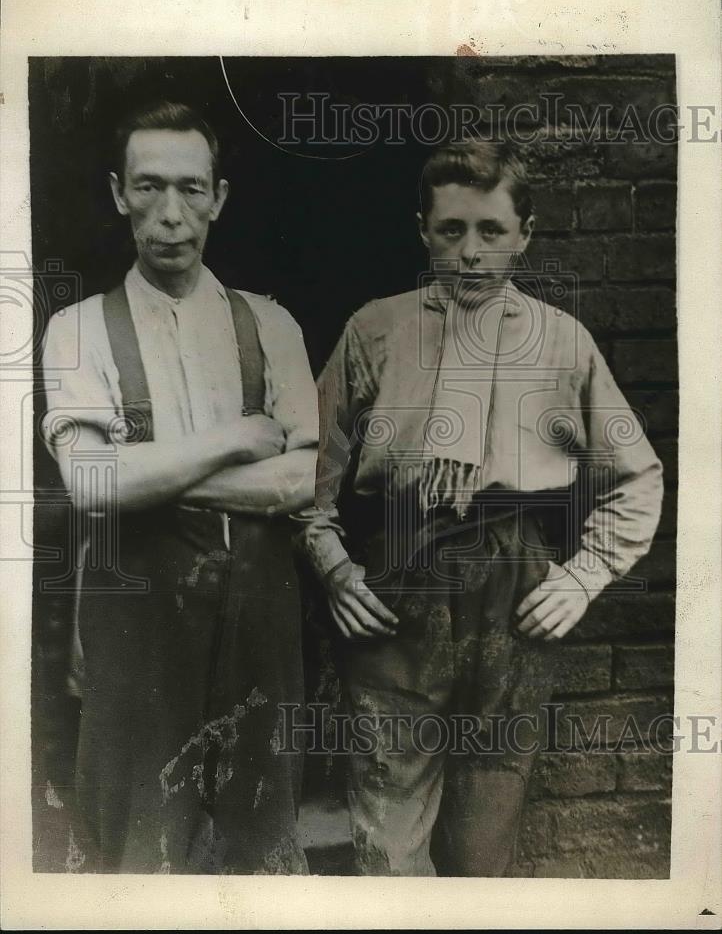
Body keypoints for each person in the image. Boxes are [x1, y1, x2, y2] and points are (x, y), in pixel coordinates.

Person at [299, 138, 664, 877]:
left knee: (487, 825)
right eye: (452, 230)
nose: (470, 252)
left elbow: (637, 476)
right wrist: (335, 569)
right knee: (388, 821)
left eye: (491, 232)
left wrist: (582, 576)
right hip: (401, 575)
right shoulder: (376, 331)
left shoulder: (563, 343)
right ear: (422, 230)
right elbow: (309, 472)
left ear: (524, 235)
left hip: (515, 583)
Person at [41, 100, 318, 874]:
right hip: (137, 631)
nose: (171, 214)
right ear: (118, 193)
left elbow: (303, 480)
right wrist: (233, 440)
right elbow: (92, 484)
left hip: (260, 624)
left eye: (191, 190)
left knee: (258, 845)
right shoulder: (79, 330)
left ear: (219, 198)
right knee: (140, 846)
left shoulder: (272, 325)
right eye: (150, 187)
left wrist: (150, 473)